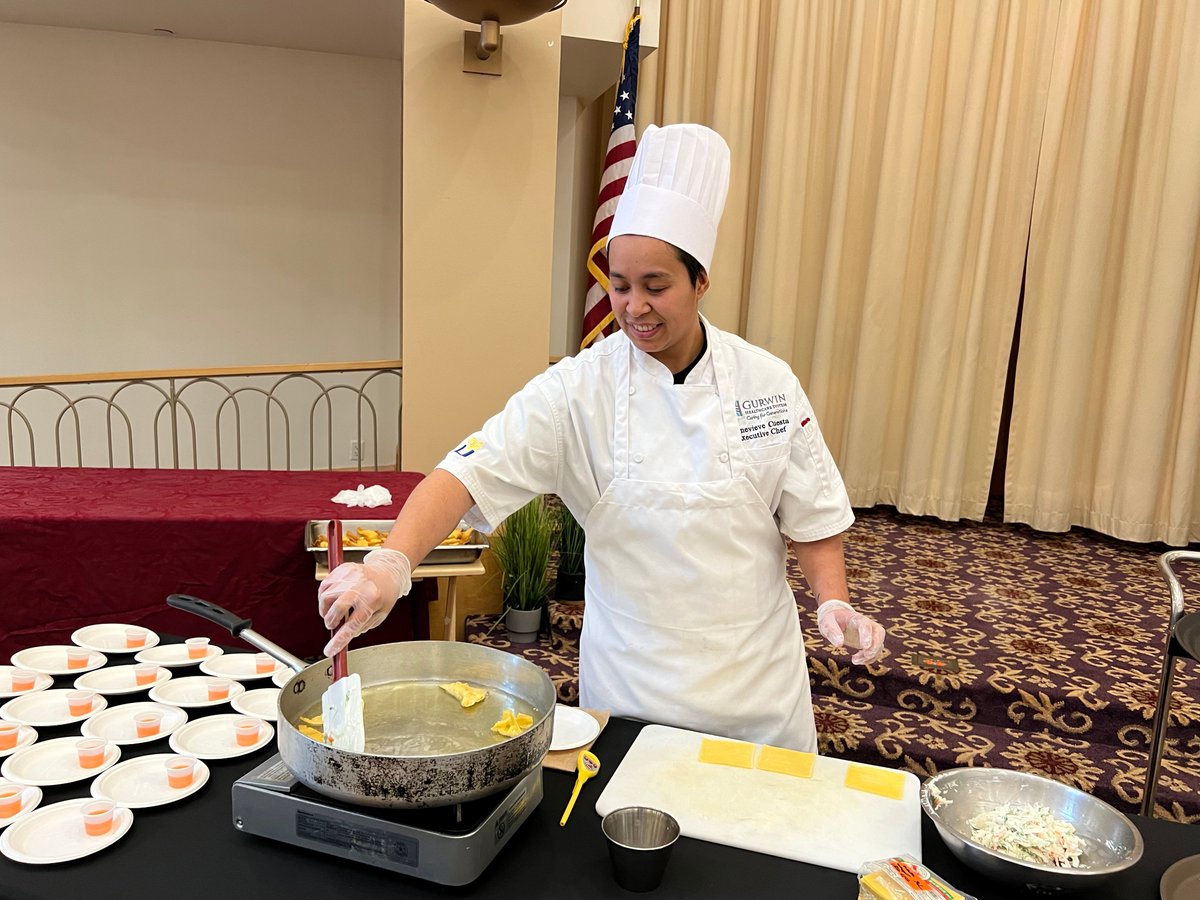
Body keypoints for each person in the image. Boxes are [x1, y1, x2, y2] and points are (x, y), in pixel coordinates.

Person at [318, 123, 885, 752]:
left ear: (701, 282)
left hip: (755, 689)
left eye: (656, 286)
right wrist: (387, 567)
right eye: (619, 285)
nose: (634, 306)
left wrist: (833, 602)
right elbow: (466, 473)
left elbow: (810, 514)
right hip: (632, 688)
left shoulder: (767, 382)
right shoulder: (576, 390)